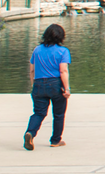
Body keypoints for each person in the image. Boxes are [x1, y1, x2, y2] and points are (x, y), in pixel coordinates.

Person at [24, 22, 72, 151]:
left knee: (39, 113)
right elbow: (63, 71)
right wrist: (67, 88)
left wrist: (34, 85)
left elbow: (32, 70)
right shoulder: (63, 51)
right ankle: (55, 140)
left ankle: (30, 132)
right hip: (56, 84)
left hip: (39, 84)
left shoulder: (37, 50)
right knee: (58, 114)